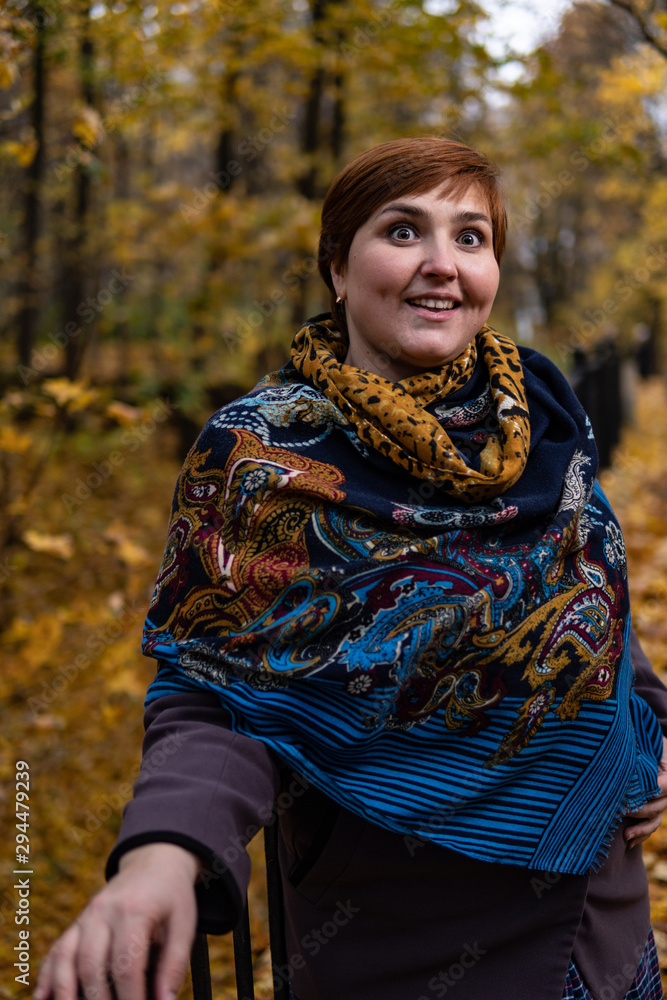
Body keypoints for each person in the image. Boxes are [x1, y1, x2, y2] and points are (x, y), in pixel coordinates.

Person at [37, 137, 667, 1000]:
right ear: (336, 267)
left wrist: (649, 727)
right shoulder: (261, 457)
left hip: (599, 928)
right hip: (399, 934)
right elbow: (217, 693)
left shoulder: (542, 420)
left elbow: (587, 598)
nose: (442, 264)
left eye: (471, 237)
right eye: (402, 231)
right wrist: (164, 850)